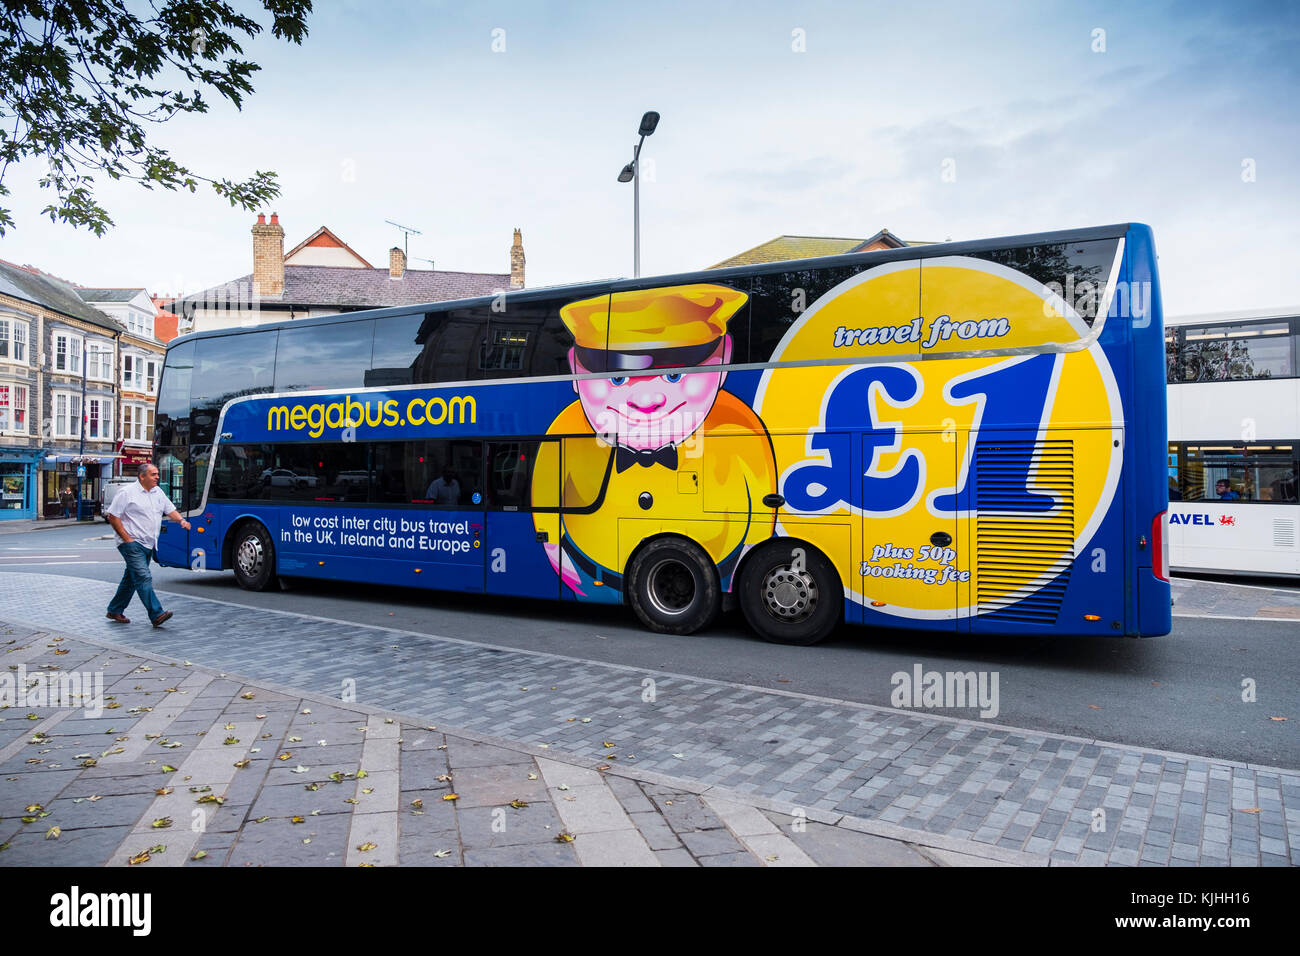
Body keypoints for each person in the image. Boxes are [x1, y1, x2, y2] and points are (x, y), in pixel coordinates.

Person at [532, 283, 776, 600]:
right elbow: (547, 515)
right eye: (616, 377)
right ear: (577, 372)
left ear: (723, 359)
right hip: (589, 584)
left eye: (675, 374)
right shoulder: (565, 429)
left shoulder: (738, 426)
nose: (647, 398)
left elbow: (759, 517)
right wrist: (564, 566)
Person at [104, 462, 191, 626]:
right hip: (131, 543)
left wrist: (181, 520)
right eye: (153, 474)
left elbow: (169, 509)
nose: (157, 477)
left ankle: (115, 609)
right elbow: (113, 516)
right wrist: (126, 538)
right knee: (143, 577)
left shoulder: (158, 492)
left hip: (149, 543)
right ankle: (156, 614)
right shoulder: (127, 493)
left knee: (131, 578)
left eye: (157, 474)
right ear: (142, 476)